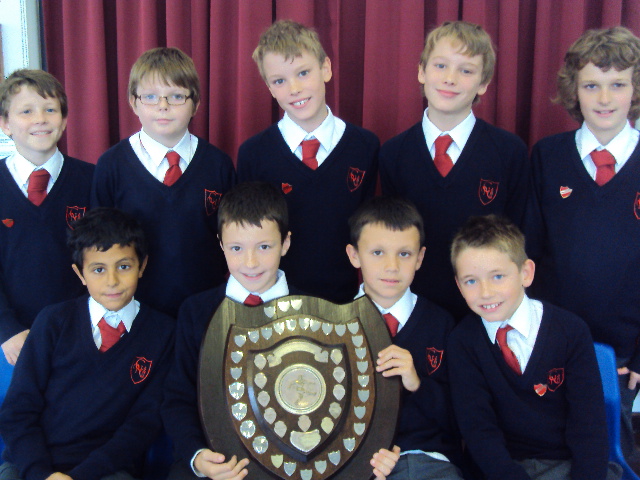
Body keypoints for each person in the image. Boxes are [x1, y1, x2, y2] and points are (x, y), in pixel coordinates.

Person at [162, 181, 398, 480]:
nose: (250, 262)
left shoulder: (322, 313)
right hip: (219, 463)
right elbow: (177, 399)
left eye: (264, 246)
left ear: (285, 243)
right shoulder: (196, 313)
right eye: (237, 248)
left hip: (298, 466)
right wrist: (198, 457)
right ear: (220, 243)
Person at [526, 26, 640, 470]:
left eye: (618, 84)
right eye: (592, 85)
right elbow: (530, 252)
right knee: (553, 448)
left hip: (624, 352)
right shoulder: (548, 156)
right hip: (557, 340)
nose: (605, 98)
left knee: (611, 453)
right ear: (574, 90)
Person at [0, 207, 175, 480]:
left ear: (142, 266)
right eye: (98, 269)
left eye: (124, 266)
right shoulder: (52, 322)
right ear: (80, 274)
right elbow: (17, 410)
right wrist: (42, 473)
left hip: (108, 469)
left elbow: (143, 424)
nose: (112, 281)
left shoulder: (163, 333)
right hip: (32, 465)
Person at [448, 214, 619, 480]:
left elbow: (588, 427)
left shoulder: (571, 332)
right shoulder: (463, 341)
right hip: (500, 470)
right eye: (471, 281)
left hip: (567, 465)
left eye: (497, 276)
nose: (485, 292)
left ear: (525, 273)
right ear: (459, 285)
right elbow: (479, 431)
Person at [379, 21, 529, 321]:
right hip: (415, 311)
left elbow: (520, 236)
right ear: (422, 71)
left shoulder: (509, 151)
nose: (450, 78)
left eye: (466, 70)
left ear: (483, 84)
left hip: (486, 311)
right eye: (441, 65)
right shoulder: (393, 153)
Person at [237, 19, 379, 304]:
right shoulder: (253, 154)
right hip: (275, 303)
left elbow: (370, 230)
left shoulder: (365, 146)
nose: (294, 88)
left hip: (346, 301)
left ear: (326, 68)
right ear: (269, 87)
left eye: (303, 73)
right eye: (280, 80)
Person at [92, 47, 236, 318]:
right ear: (133, 102)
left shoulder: (218, 164)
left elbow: (233, 237)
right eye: (150, 97)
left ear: (196, 103)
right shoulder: (111, 166)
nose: (163, 106)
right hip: (136, 310)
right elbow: (100, 245)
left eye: (176, 96)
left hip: (208, 307)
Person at [345, 196, 463, 480]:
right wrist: (365, 454)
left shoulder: (443, 325)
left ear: (420, 258)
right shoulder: (332, 323)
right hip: (353, 462)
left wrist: (417, 383)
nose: (392, 266)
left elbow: (461, 419)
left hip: (429, 461)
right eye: (377, 253)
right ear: (354, 255)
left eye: (405, 254)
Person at [0, 69, 93, 365]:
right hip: (12, 338)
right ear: (5, 124)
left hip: (81, 330)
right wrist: (6, 329)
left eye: (50, 110)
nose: (40, 119)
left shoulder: (92, 179)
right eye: (26, 111)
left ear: (64, 120)